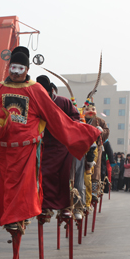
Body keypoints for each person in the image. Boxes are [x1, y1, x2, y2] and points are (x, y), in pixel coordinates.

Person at [0, 46, 100, 230]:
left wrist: (84, 132)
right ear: (8, 68)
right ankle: (11, 217)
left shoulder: (37, 90)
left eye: (19, 69)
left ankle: (72, 203)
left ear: (27, 70)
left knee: (32, 183)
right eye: (12, 68)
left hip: (28, 148)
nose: (15, 72)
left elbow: (56, 116)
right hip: (4, 148)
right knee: (5, 184)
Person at [36, 75, 81, 218]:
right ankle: (46, 207)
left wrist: (64, 126)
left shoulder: (63, 102)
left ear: (51, 91)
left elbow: (76, 119)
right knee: (45, 175)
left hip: (63, 146)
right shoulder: (36, 102)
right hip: (44, 145)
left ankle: (66, 207)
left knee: (65, 175)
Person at [83, 100, 109, 200]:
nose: (90, 111)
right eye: (87, 109)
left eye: (93, 109)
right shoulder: (80, 119)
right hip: (82, 147)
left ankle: (93, 191)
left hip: (96, 147)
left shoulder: (100, 121)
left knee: (96, 169)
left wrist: (101, 131)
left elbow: (107, 131)